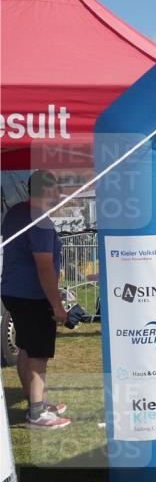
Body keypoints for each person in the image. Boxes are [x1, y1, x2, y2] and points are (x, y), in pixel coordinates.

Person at [0, 170, 70, 429]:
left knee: (26, 348)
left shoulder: (16, 211)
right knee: (38, 353)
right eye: (56, 190)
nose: (59, 195)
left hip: (14, 290)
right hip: (32, 294)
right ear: (47, 191)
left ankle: (35, 403)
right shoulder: (38, 219)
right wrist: (57, 304)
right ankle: (37, 414)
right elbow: (44, 266)